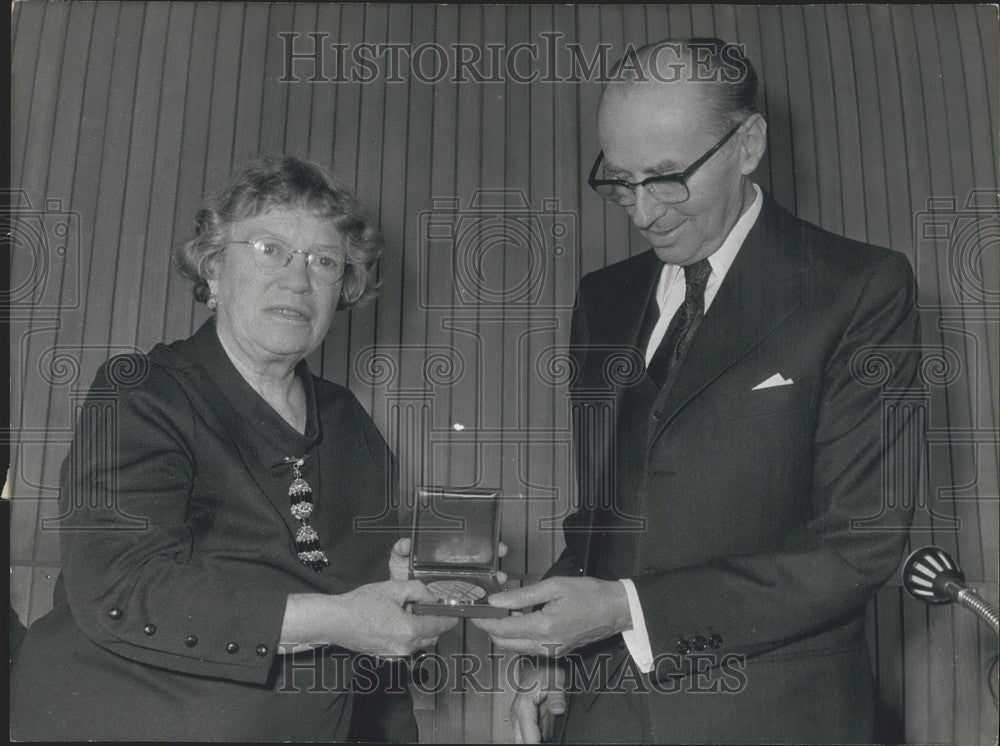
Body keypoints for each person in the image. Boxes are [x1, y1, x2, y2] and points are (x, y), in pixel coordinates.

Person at [474, 39, 921, 743]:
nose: (645, 211)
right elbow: (603, 521)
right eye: (620, 180)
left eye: (666, 177)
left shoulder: (858, 289)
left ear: (748, 144)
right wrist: (551, 645)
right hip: (603, 718)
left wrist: (623, 612)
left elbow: (859, 546)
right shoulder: (604, 299)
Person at [10, 155, 457, 741]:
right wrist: (341, 618)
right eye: (270, 249)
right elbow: (120, 588)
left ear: (343, 289)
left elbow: (370, 656)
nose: (298, 280)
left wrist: (395, 586)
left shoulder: (351, 423)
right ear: (214, 270)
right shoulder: (145, 392)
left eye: (324, 261)